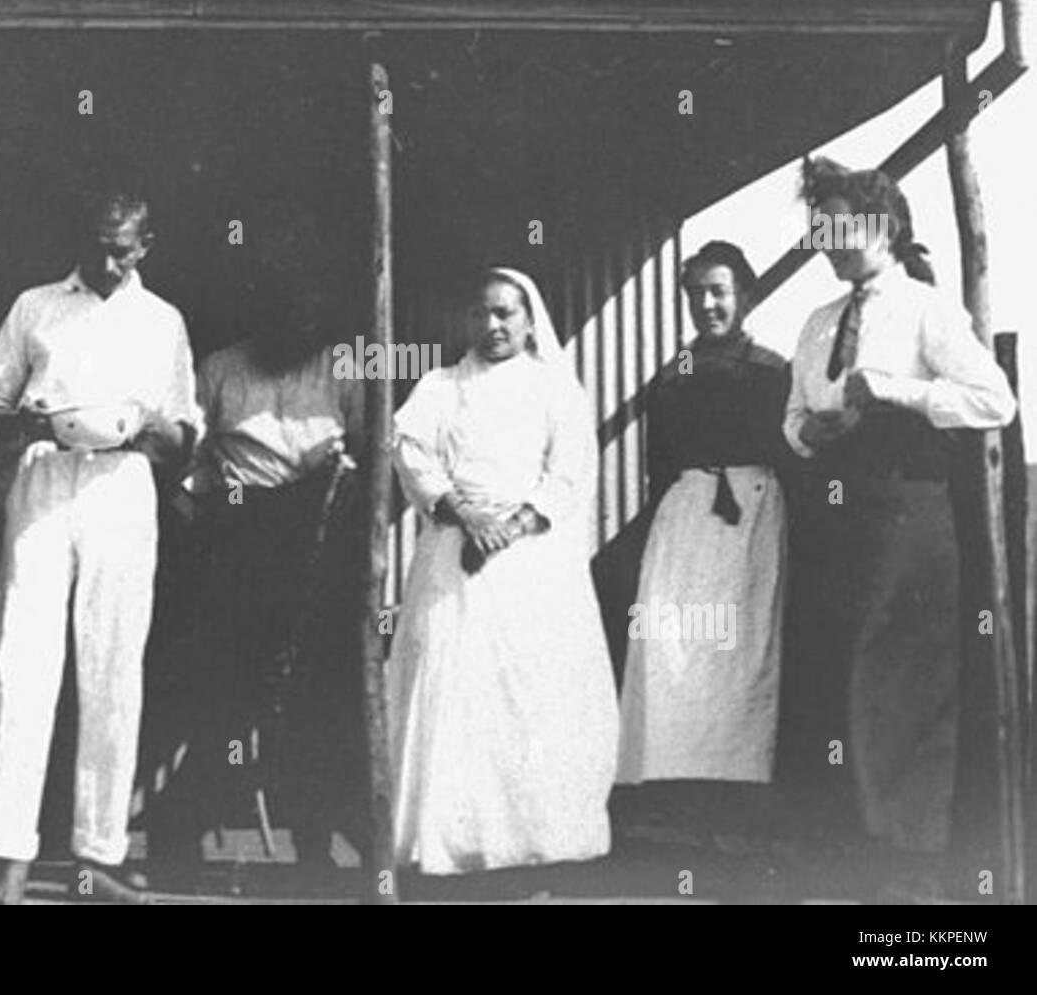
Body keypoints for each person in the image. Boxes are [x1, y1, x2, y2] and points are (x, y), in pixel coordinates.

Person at [783, 157, 1015, 898]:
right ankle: (853, 846)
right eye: (823, 230)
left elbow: (994, 402)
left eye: (847, 226)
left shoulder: (925, 310)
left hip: (909, 514)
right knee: (838, 673)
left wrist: (895, 390)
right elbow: (791, 419)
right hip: (835, 517)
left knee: (907, 681)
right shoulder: (818, 324)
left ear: (885, 226)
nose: (835, 243)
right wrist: (809, 434)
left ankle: (911, 866)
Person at [0, 192, 201, 904]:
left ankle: (96, 856)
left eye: (123, 248)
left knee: (113, 665)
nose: (109, 260)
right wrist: (25, 423)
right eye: (98, 245)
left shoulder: (162, 321)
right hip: (44, 478)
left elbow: (186, 429)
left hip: (122, 486)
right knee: (23, 661)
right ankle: (8, 857)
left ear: (146, 243)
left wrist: (152, 432)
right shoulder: (35, 306)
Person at [389, 267, 619, 876]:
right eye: (481, 313)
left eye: (505, 314)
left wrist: (510, 527)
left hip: (530, 565)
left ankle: (533, 840)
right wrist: (465, 516)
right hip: (453, 557)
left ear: (527, 317)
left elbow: (568, 473)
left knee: (526, 694)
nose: (492, 326)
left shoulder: (556, 389)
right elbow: (412, 454)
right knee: (454, 691)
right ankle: (452, 842)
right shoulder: (440, 386)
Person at [169, 277, 367, 871]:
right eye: (283, 306)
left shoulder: (345, 368)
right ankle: (188, 835)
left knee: (311, 691)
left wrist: (345, 482)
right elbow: (188, 460)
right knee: (225, 688)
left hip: (318, 533)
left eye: (307, 309)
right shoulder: (221, 369)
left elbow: (372, 450)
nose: (295, 320)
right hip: (237, 531)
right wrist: (207, 503)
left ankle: (313, 837)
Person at [616, 243, 792, 840]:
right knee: (674, 646)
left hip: (753, 516)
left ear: (745, 295)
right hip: (687, 515)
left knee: (743, 653)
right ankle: (675, 797)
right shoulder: (674, 375)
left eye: (720, 291)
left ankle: (740, 802)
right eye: (697, 293)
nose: (708, 304)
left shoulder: (773, 371)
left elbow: (792, 453)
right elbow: (658, 464)